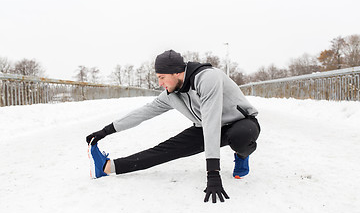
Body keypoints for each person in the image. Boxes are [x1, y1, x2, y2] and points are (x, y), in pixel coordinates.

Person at [86, 50, 260, 203]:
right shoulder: (171, 94)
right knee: (164, 150)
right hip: (205, 127)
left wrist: (213, 173)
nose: (160, 83)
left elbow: (212, 121)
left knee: (240, 137)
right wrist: (106, 130)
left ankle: (242, 156)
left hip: (241, 123)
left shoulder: (208, 78)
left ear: (176, 72)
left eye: (162, 77)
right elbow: (143, 113)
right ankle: (108, 167)